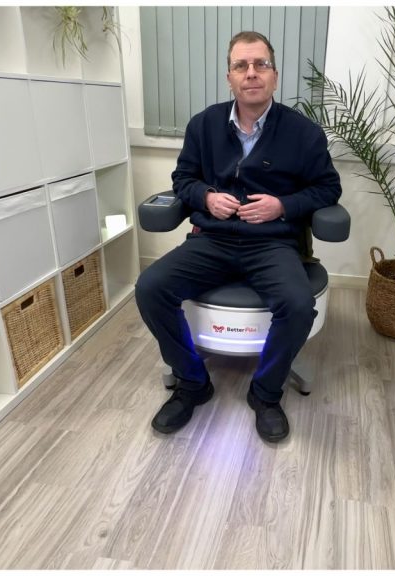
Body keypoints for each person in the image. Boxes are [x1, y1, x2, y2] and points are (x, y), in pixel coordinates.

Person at [135, 31, 342, 442]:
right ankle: (193, 382)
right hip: (212, 240)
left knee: (298, 305)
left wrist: (282, 206)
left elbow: (327, 189)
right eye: (241, 66)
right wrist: (207, 197)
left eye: (260, 64)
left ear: (275, 76)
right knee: (150, 287)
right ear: (229, 77)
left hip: (273, 243)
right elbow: (183, 179)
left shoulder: (303, 133)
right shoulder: (204, 125)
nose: (251, 74)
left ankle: (265, 394)